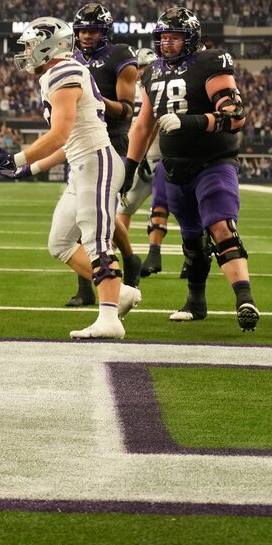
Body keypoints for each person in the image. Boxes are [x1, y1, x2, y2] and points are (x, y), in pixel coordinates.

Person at [0, 17, 141, 339]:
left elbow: (60, 133)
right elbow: (69, 142)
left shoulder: (64, 72)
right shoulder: (57, 74)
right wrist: (29, 169)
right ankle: (118, 292)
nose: (26, 52)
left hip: (96, 163)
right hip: (82, 164)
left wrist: (18, 157)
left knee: (96, 241)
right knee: (60, 242)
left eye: (29, 46)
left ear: (47, 46)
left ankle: (110, 319)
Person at [123, 7, 259, 331]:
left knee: (221, 226)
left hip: (213, 161)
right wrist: (129, 168)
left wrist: (192, 121)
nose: (167, 44)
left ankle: (244, 299)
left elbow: (235, 115)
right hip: (174, 168)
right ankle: (196, 302)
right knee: (192, 241)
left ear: (191, 38)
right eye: (163, 38)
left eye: (174, 37)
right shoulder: (152, 72)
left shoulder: (210, 63)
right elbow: (142, 127)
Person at [66, 3, 142, 307]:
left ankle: (102, 280)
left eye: (93, 29)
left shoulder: (120, 56)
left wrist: (95, 101)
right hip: (81, 140)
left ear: (105, 31)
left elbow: (126, 109)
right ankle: (124, 262)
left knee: (96, 214)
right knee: (89, 213)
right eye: (82, 30)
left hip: (110, 139)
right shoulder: (71, 58)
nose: (86, 35)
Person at [117, 47, 170, 278]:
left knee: (165, 207)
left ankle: (156, 255)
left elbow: (154, 122)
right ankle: (123, 256)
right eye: (137, 67)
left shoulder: (162, 85)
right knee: (122, 209)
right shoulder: (129, 87)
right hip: (137, 157)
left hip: (163, 156)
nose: (140, 71)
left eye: (145, 67)